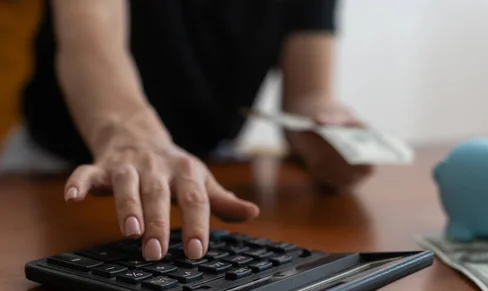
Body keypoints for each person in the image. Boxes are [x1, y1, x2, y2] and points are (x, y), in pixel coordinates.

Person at [19, 0, 372, 262]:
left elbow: (308, 97)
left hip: (206, 178)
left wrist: (333, 138)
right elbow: (88, 37)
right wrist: (133, 137)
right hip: (55, 172)